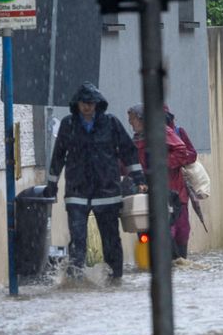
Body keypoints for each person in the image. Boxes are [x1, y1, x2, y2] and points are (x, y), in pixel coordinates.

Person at [44, 83, 141, 281]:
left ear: (98, 104)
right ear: (77, 104)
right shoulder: (68, 125)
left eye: (91, 103)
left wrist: (139, 179)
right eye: (84, 103)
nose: (87, 107)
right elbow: (58, 156)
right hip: (77, 193)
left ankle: (115, 280)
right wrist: (52, 185)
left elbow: (128, 151)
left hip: (107, 193)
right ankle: (75, 283)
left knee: (111, 241)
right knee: (78, 242)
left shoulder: (111, 123)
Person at [128, 104, 198, 261]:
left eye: (132, 119)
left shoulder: (164, 132)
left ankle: (179, 262)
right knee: (147, 231)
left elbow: (184, 152)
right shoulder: (136, 140)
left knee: (177, 231)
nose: (130, 123)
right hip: (146, 195)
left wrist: (160, 164)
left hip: (172, 192)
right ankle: (156, 263)